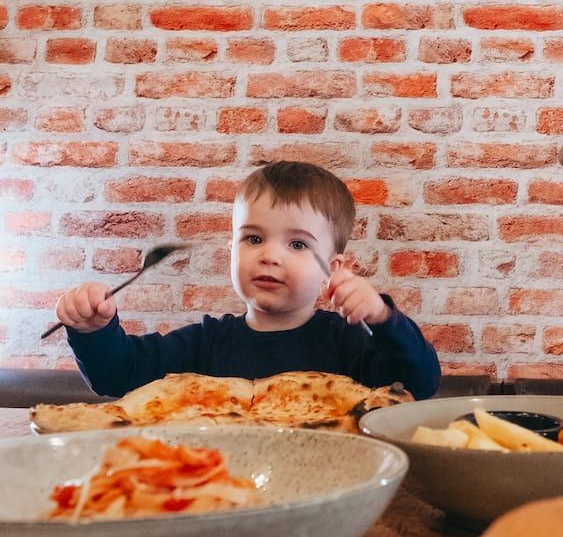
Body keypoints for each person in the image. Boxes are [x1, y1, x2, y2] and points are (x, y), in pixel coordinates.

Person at [53, 159, 440, 400]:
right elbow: (119, 376)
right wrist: (94, 332)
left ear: (334, 267)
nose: (270, 255)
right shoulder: (205, 343)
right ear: (232, 247)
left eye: (298, 244)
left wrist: (383, 319)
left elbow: (418, 384)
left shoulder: (346, 341)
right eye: (253, 238)